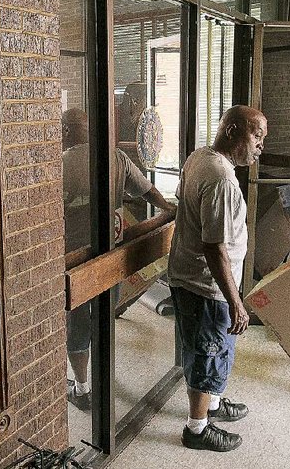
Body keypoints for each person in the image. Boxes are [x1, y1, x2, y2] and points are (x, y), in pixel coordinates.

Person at [61, 107, 176, 410]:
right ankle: (101, 377)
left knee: (77, 324)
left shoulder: (61, 164)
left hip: (76, 260)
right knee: (103, 318)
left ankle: (82, 387)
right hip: (110, 257)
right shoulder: (115, 157)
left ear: (67, 131)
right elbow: (147, 190)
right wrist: (168, 210)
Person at [168, 105, 267, 452]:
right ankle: (197, 429)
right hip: (205, 287)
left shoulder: (200, 157)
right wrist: (236, 302)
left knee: (211, 350)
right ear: (232, 131)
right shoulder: (221, 178)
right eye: (256, 136)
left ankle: (211, 405)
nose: (260, 146)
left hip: (194, 280)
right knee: (207, 354)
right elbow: (215, 249)